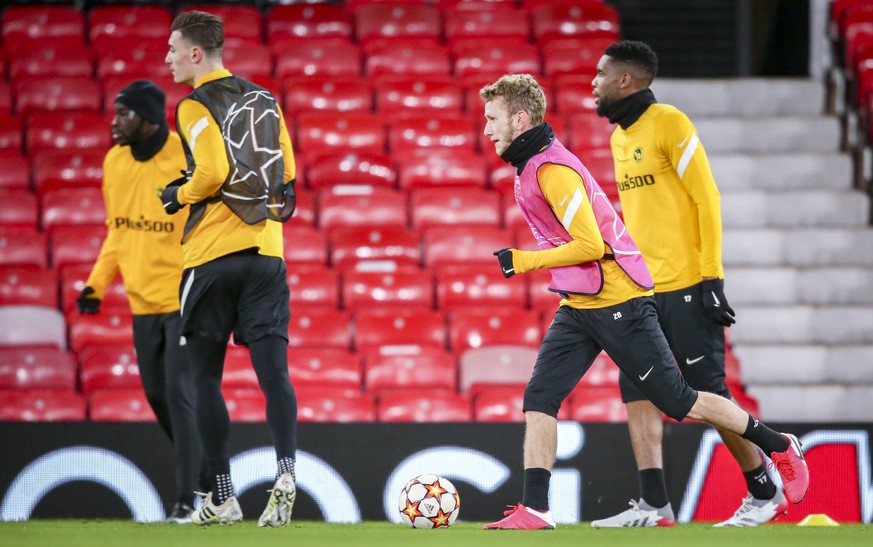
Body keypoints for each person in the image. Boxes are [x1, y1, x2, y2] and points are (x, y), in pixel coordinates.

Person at [478, 73, 808, 530]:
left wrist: (525, 261)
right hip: (579, 302)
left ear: (519, 118)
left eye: (493, 119)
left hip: (620, 300)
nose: (487, 129)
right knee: (540, 397)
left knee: (682, 402)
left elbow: (591, 245)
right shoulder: (532, 166)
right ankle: (535, 508)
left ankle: (778, 445)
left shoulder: (552, 170)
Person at [590, 40, 785, 528]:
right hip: (643, 290)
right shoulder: (619, 138)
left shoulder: (671, 124)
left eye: (600, 75)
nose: (592, 83)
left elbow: (707, 199)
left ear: (625, 81)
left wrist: (712, 277)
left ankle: (764, 491)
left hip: (687, 287)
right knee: (635, 390)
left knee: (707, 390)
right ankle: (655, 506)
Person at [161, 10, 299, 527]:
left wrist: (181, 192)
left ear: (196, 53)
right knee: (274, 374)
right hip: (266, 251)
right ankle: (286, 471)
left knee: (204, 377)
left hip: (213, 255)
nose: (168, 58)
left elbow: (214, 170)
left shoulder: (195, 105)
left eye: (173, 49)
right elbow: (286, 169)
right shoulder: (265, 99)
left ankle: (222, 497)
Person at [77, 80, 202, 524]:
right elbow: (120, 230)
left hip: (184, 296)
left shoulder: (184, 159)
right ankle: (205, 474)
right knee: (156, 394)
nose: (115, 123)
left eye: (124, 114)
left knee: (178, 393)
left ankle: (190, 498)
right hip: (142, 301)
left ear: (149, 118)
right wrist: (95, 284)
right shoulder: (114, 162)